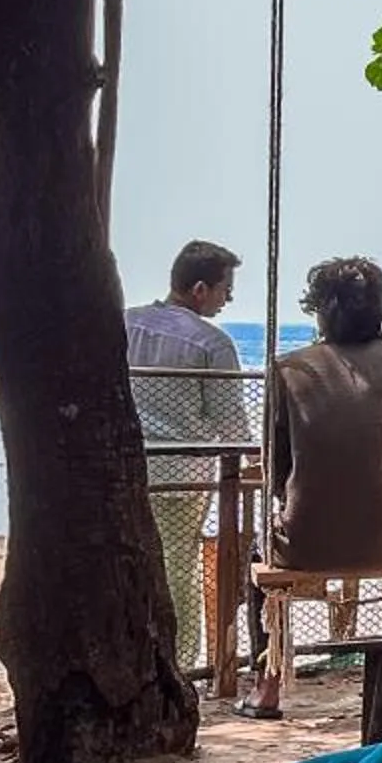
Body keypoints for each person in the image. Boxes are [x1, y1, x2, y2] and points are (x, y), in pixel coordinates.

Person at [256, 258, 382, 713]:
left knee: (259, 553)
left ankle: (266, 685)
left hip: (307, 543)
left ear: (320, 311)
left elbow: (275, 464)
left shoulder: (290, 368)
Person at [125, 240, 244, 668]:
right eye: (224, 289)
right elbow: (231, 425)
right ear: (200, 289)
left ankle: (132, 655)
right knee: (179, 568)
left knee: (126, 564)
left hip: (125, 469)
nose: (228, 298)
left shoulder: (124, 325)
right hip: (182, 474)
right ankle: (181, 662)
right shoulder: (212, 344)